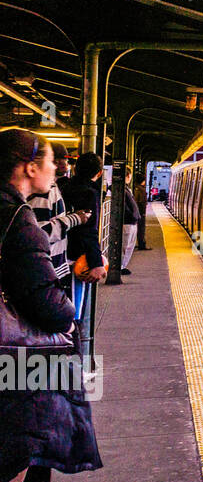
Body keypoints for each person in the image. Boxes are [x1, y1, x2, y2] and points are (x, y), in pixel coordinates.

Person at [0, 130, 103, 482]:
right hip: (13, 364)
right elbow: (43, 298)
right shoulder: (17, 218)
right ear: (29, 168)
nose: (56, 170)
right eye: (49, 162)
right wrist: (69, 318)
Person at [28, 143, 91, 289]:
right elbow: (40, 233)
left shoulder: (51, 187)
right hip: (46, 270)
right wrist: (75, 219)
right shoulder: (43, 191)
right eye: (54, 161)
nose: (66, 164)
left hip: (51, 267)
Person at [62, 153, 107, 357]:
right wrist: (96, 263)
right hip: (77, 259)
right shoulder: (89, 193)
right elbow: (89, 230)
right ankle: (74, 359)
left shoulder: (64, 187)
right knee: (75, 312)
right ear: (99, 173)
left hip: (61, 254)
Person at [121, 169, 140, 275]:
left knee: (129, 246)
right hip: (127, 222)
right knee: (124, 245)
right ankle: (120, 266)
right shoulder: (121, 189)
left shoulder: (126, 189)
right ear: (127, 176)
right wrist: (132, 215)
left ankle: (123, 266)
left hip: (132, 222)